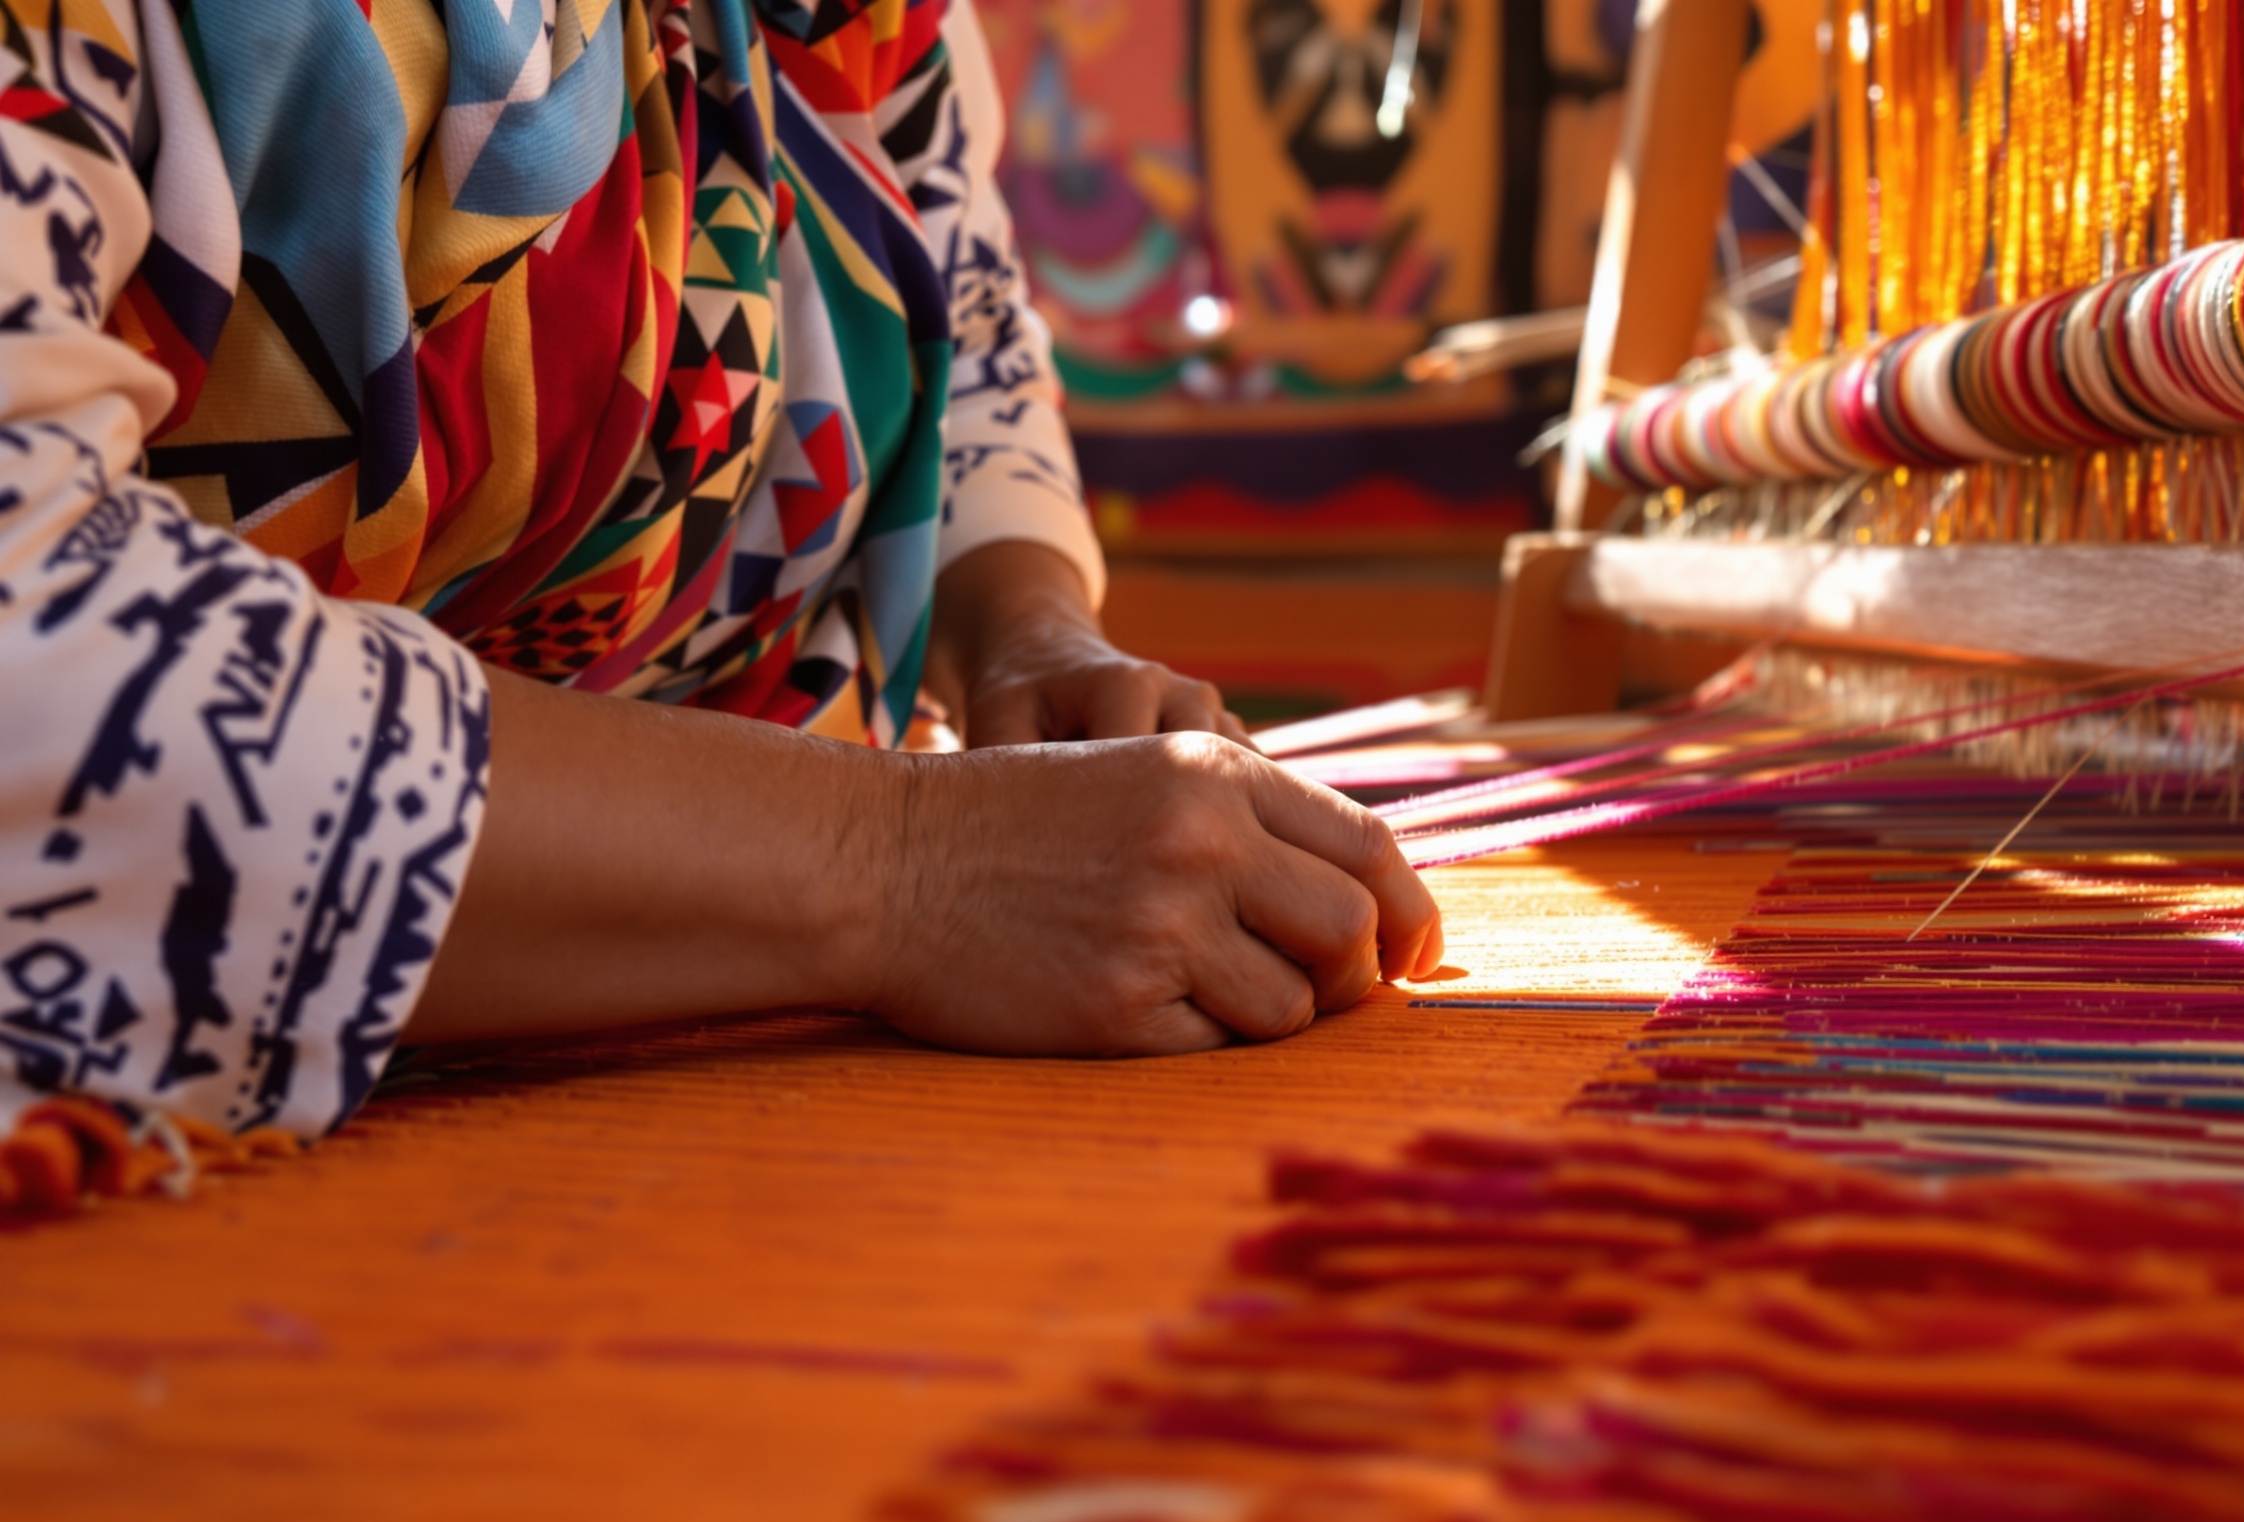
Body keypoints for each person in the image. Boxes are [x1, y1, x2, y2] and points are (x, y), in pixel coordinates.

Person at [0, 0, 1442, 1164]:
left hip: (662, 1085)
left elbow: (962, 304)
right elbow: (34, 650)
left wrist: (1023, 636)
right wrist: (903, 872)